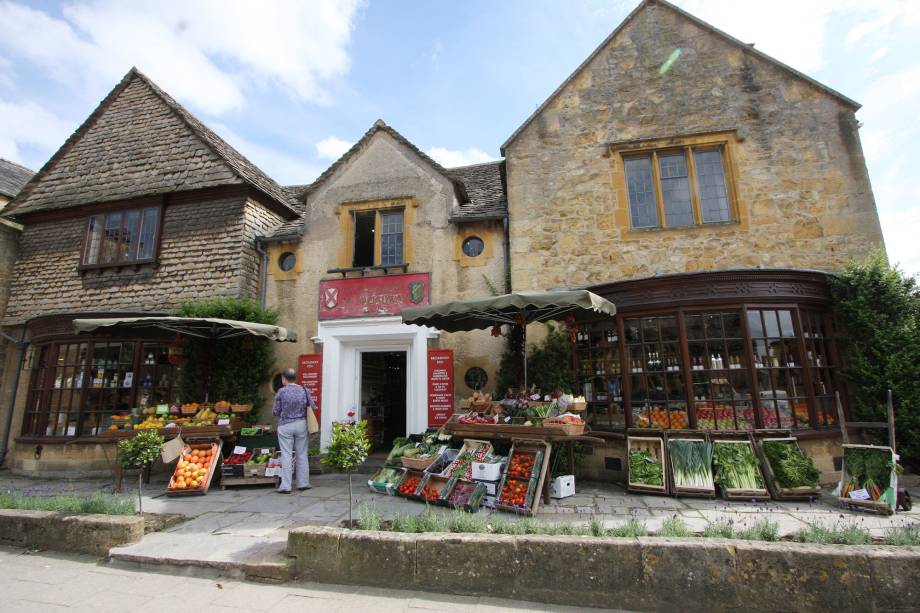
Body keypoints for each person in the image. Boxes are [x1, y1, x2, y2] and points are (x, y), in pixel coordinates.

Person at [271, 368, 316, 494]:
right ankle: (303, 483)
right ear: (295, 378)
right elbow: (312, 405)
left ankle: (286, 486)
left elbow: (275, 411)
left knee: (286, 455)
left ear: (284, 379)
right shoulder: (303, 390)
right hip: (301, 424)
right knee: (302, 454)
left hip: (285, 425)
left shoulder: (281, 391)